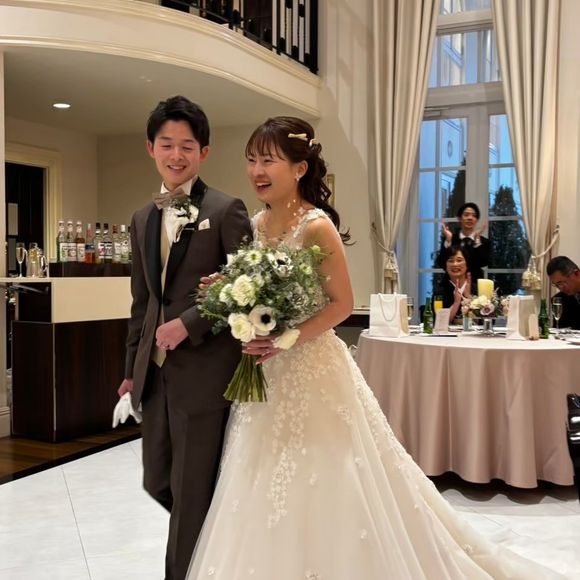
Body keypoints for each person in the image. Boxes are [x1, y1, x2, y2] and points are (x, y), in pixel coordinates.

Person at [186, 117, 566, 579]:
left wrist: (285, 338)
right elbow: (258, 287)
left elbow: (342, 304)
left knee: (331, 473)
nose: (256, 170)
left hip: (311, 368)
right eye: (251, 160)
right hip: (268, 372)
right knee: (259, 476)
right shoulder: (258, 223)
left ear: (300, 168)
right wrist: (229, 290)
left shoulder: (317, 226)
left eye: (269, 160)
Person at [117, 95, 252, 580]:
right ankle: (215, 544)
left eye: (187, 146)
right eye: (167, 144)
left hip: (204, 373)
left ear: (204, 152)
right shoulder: (142, 217)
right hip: (154, 377)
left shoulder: (226, 209)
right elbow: (143, 303)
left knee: (192, 492)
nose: (176, 155)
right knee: (158, 481)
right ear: (150, 148)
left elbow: (246, 290)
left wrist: (190, 323)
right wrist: (131, 372)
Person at [438, 202, 489, 283]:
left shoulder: (483, 241)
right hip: (451, 284)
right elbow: (441, 263)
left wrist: (477, 240)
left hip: (474, 283)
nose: (470, 218)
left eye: (474, 215)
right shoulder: (450, 238)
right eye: (466, 215)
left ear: (476, 220)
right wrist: (448, 241)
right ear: (459, 218)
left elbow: (483, 263)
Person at [437, 245, 474, 322]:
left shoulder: (477, 289)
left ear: (467, 264)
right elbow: (439, 322)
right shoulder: (440, 291)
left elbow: (485, 321)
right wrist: (456, 303)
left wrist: (468, 297)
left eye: (459, 260)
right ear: (445, 266)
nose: (455, 264)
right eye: (451, 261)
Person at [547, 256, 580, 329]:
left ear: (577, 274)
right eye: (556, 285)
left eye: (561, 283)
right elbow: (559, 330)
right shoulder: (559, 300)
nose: (561, 288)